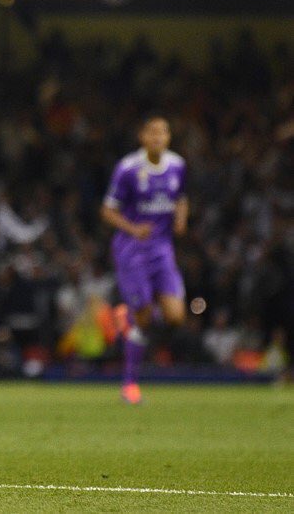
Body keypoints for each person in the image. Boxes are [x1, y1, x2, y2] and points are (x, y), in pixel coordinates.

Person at [101, 116, 188, 404]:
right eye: (152, 132)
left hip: (162, 249)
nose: (158, 137)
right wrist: (133, 229)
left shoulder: (177, 165)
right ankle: (129, 385)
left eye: (163, 131)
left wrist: (181, 219)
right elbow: (108, 210)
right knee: (145, 317)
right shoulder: (128, 169)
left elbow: (181, 197)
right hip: (132, 250)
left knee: (176, 315)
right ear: (142, 137)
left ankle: (131, 315)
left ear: (169, 137)